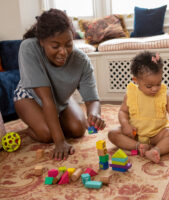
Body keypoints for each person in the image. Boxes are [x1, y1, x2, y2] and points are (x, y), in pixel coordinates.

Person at [14, 9, 106, 161]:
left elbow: (92, 99)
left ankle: (52, 120)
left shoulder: (81, 60)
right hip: (29, 97)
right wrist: (60, 141)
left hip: (59, 99)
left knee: (78, 129)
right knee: (47, 134)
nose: (63, 52)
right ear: (42, 41)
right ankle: (32, 129)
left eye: (68, 44)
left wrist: (94, 114)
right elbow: (46, 99)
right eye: (55, 46)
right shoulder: (29, 48)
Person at [108, 51, 169, 163]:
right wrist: (125, 125)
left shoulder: (164, 96)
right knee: (113, 133)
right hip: (135, 135)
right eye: (149, 86)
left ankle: (156, 150)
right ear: (136, 80)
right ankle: (139, 146)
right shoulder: (130, 95)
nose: (155, 89)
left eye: (158, 84)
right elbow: (123, 112)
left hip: (157, 134)